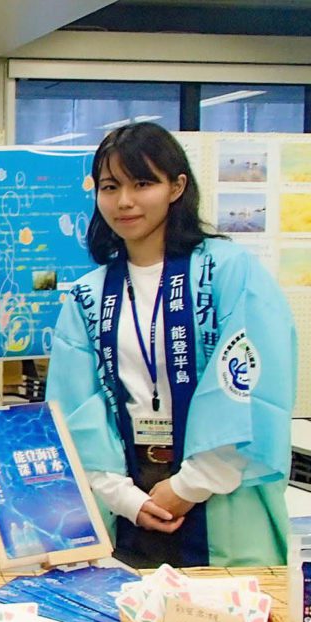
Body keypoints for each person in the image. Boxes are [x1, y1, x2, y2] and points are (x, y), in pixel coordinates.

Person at [47, 122, 295, 568]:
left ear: (177, 187)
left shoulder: (229, 272)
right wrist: (125, 497)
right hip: (127, 497)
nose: (124, 201)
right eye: (110, 186)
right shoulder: (88, 295)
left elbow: (251, 386)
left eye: (143, 183)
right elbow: (74, 409)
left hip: (222, 491)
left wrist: (190, 485)